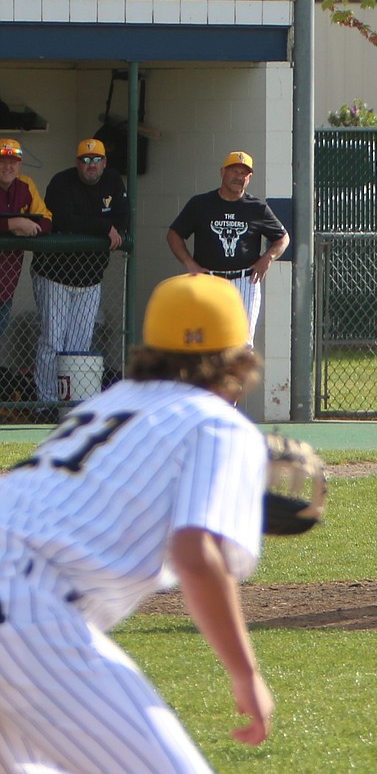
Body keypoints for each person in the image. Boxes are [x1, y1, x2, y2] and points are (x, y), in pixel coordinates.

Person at [0, 273, 274, 772]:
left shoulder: (107, 402)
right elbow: (196, 552)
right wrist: (245, 673)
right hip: (25, 611)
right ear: (240, 354)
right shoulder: (219, 422)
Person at [36, 138, 130, 404]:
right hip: (54, 275)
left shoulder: (112, 181)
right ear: (77, 163)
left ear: (104, 162)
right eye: (85, 160)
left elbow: (123, 218)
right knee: (53, 341)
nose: (91, 165)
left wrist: (102, 226)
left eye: (96, 159)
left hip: (90, 278)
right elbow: (64, 220)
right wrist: (102, 227)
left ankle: (73, 404)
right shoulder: (61, 182)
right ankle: (46, 404)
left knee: (79, 345)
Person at [166, 151, 291, 346]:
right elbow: (174, 234)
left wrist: (267, 258)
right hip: (209, 279)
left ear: (249, 178)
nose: (239, 177)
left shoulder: (257, 207)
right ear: (222, 172)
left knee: (242, 344)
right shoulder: (201, 204)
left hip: (245, 280)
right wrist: (190, 264)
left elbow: (283, 238)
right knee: (205, 340)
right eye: (235, 171)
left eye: (244, 173)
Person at [0, 138, 52, 340]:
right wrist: (14, 224)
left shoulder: (25, 185)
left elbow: (46, 218)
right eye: (3, 161)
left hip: (6, 282)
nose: (8, 166)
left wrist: (31, 228)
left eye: (13, 161)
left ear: (20, 164)